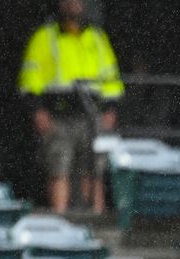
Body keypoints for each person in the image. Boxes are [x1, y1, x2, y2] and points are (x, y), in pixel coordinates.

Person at [19, 0, 124, 214]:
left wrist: (110, 109)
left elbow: (111, 78)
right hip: (58, 115)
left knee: (93, 170)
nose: (74, 5)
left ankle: (95, 220)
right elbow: (30, 78)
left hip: (92, 116)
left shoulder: (96, 37)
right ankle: (61, 220)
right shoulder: (44, 37)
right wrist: (38, 110)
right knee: (59, 170)